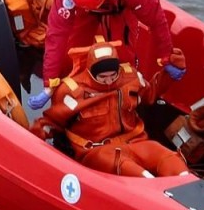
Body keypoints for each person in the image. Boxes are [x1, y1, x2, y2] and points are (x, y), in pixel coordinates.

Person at [28, 0, 184, 109]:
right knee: (72, 52)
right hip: (84, 7)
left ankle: (122, 104)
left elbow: (156, 20)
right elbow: (56, 34)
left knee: (123, 60)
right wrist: (49, 84)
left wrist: (167, 57)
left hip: (118, 7)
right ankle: (75, 97)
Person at [30, 37, 189, 177]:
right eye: (103, 77)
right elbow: (52, 122)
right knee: (129, 169)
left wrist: (168, 74)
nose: (108, 81)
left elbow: (150, 93)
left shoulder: (131, 78)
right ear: (91, 72)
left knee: (167, 156)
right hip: (96, 150)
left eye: (113, 76)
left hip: (135, 141)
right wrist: (34, 139)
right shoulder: (72, 91)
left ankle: (184, 183)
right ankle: (150, 189)